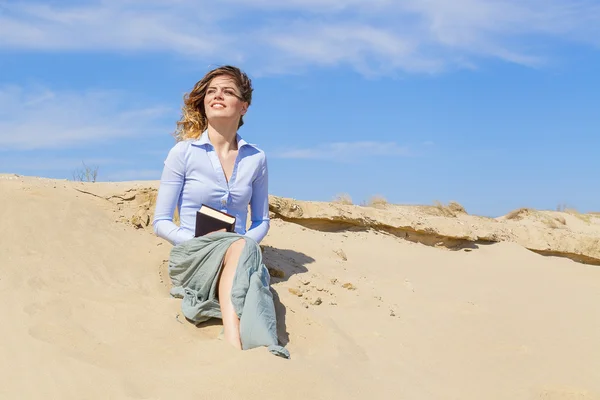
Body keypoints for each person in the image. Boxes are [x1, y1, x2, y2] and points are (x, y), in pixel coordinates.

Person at [152, 65, 270, 349]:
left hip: (240, 253)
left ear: (243, 107)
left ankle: (254, 347)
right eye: (212, 91)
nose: (217, 96)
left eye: (228, 92)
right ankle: (237, 342)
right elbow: (161, 221)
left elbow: (262, 221)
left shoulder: (257, 158)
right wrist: (197, 240)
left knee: (243, 250)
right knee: (241, 251)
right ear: (203, 101)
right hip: (194, 254)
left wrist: (240, 242)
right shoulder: (183, 153)